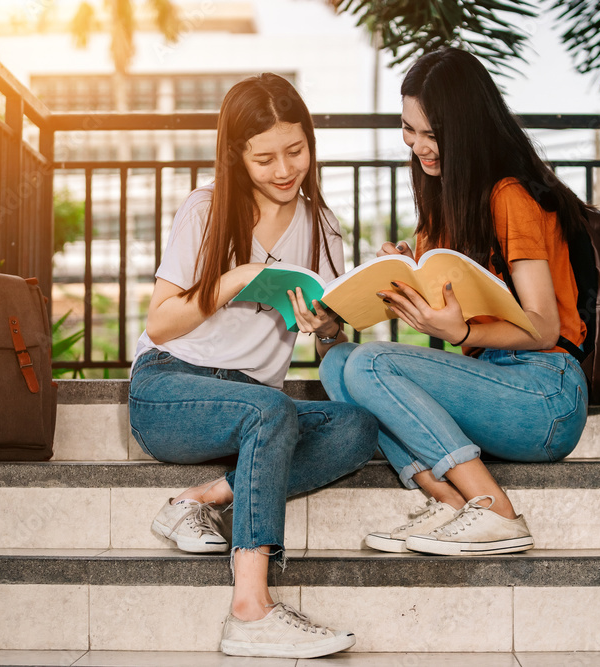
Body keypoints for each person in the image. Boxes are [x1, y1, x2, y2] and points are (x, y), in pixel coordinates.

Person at [128, 73, 377, 659]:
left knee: (356, 427)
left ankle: (205, 498)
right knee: (271, 411)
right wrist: (233, 281)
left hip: (253, 405)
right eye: (264, 158)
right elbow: (161, 322)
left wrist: (329, 325)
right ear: (237, 157)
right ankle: (250, 609)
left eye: (295, 151)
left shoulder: (322, 226)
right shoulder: (206, 209)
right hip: (170, 386)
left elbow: (326, 338)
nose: (284, 169)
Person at [320, 46, 590, 556]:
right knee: (339, 363)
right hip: (488, 384)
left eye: (432, 133)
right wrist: (395, 276)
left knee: (372, 362)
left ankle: (496, 510)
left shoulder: (510, 196)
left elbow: (544, 328)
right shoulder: (442, 207)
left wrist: (459, 333)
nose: (418, 146)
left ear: (465, 129)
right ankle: (447, 501)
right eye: (409, 129)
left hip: (545, 394)